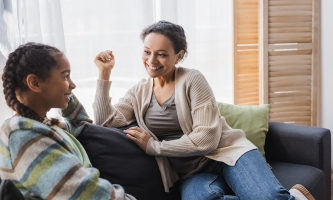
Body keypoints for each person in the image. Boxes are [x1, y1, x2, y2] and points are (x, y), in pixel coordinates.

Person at [93, 20, 316, 200]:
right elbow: (104, 122)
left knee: (268, 198)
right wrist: (104, 74)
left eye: (161, 53)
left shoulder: (192, 79)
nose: (152, 60)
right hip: (191, 172)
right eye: (147, 52)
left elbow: (206, 139)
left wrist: (155, 147)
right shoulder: (139, 92)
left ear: (178, 55)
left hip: (228, 154)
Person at [0, 42, 136, 200]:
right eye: (65, 76)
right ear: (35, 83)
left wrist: (66, 95)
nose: (73, 84)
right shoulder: (25, 138)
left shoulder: (41, 124)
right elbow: (86, 194)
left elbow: (81, 124)